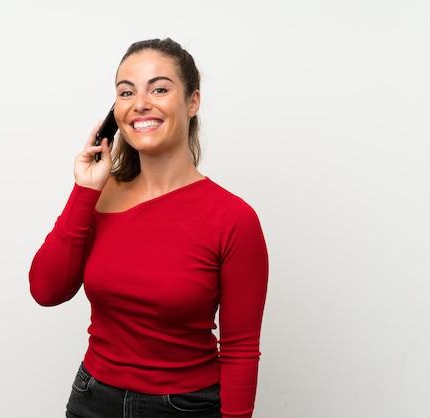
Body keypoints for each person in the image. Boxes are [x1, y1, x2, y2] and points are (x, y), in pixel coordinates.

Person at [29, 37, 269, 418]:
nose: (140, 102)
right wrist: (84, 191)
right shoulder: (99, 196)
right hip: (92, 399)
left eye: (159, 88)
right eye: (126, 92)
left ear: (193, 102)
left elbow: (240, 349)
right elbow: (46, 290)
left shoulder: (233, 218)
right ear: (115, 111)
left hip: (186, 407)